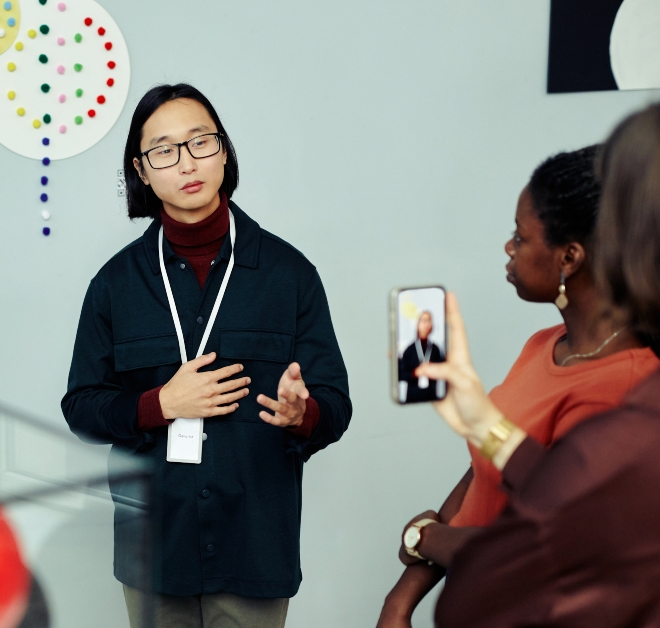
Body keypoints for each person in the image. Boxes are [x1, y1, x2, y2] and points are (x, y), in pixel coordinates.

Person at [61, 83, 351, 628]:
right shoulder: (115, 285)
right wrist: (159, 404)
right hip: (154, 548)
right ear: (142, 171)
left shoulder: (290, 276)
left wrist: (302, 415)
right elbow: (81, 407)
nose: (186, 163)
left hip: (255, 545)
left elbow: (336, 403)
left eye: (200, 142)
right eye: (164, 150)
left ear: (223, 151)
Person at [377, 145, 660, 627]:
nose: (509, 248)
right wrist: (402, 597)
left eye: (520, 236)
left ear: (569, 256)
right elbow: (484, 470)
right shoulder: (544, 344)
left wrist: (424, 538)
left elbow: (548, 540)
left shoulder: (626, 382)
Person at [398, 311, 446, 403]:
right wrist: (415, 373)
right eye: (423, 320)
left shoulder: (436, 349)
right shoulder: (409, 349)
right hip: (412, 399)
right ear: (417, 324)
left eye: (429, 320)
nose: (427, 324)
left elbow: (444, 371)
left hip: (432, 398)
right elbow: (400, 374)